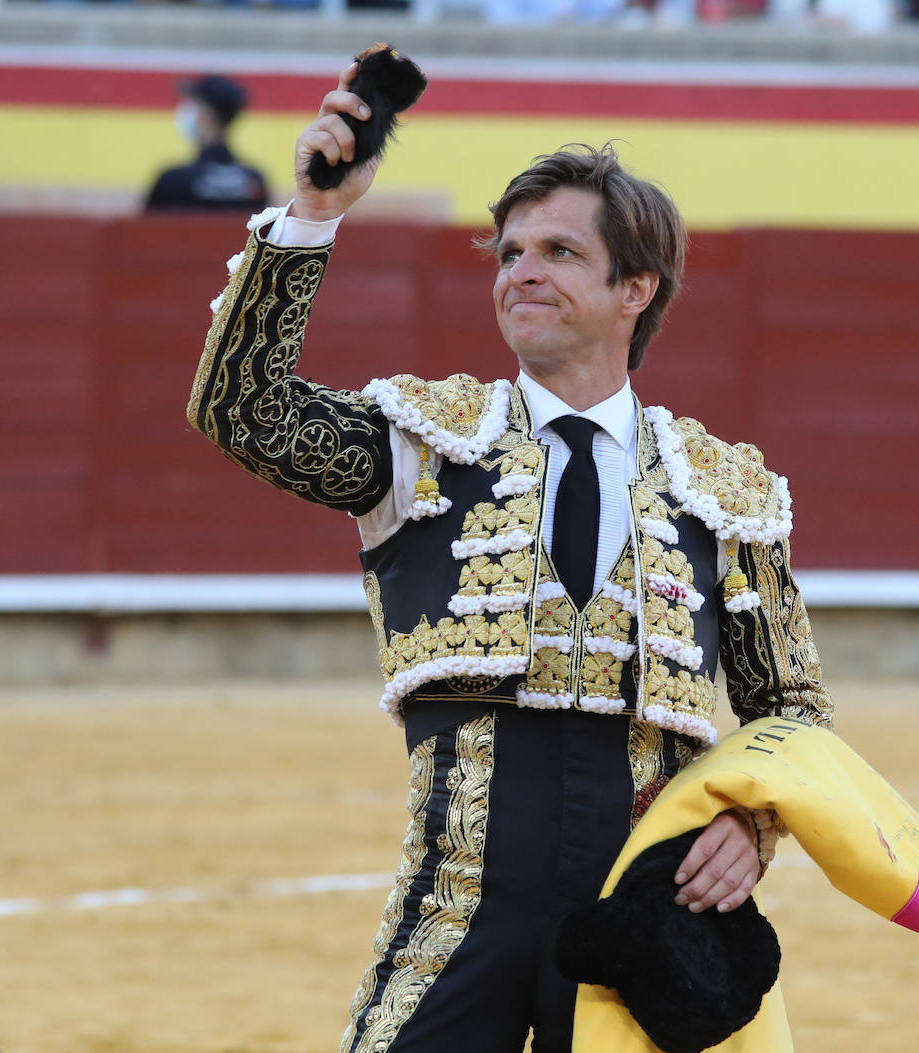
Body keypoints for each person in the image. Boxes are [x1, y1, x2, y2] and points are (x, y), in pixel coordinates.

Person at [186, 62, 833, 1053]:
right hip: (455, 917)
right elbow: (243, 412)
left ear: (634, 289)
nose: (520, 271)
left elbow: (791, 709)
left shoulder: (722, 491)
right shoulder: (422, 445)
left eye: (559, 252)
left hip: (641, 926)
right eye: (511, 251)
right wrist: (316, 212)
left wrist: (752, 829)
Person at [146, 75, 269, 213]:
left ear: (208, 113)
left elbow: (141, 232)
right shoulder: (254, 181)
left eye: (193, 105)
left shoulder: (172, 181)